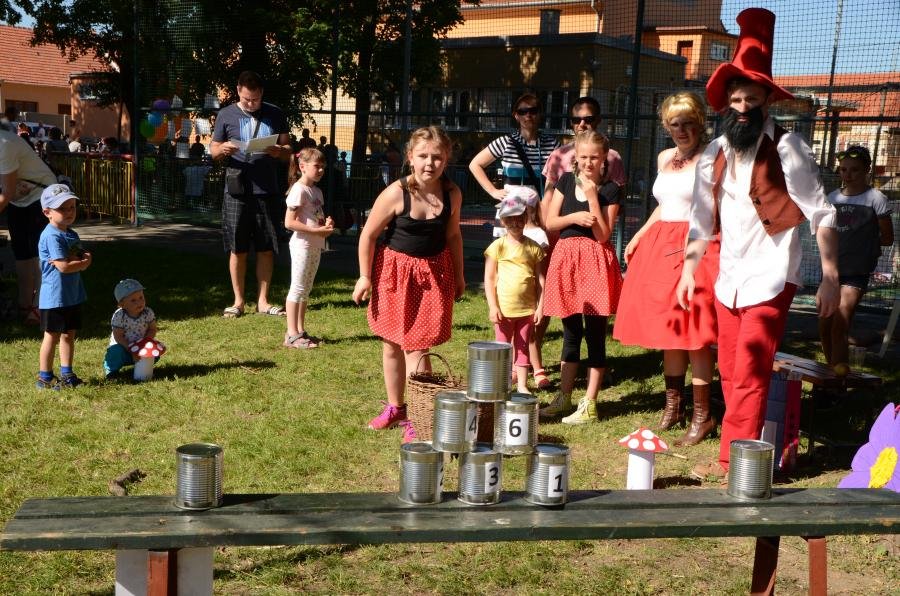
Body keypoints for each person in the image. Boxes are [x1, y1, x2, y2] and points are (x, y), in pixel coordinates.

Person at [675, 8, 839, 481]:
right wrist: (688, 271)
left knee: (749, 370)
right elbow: (700, 220)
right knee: (730, 370)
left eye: (751, 98)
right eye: (736, 99)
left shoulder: (788, 148)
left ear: (767, 98)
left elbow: (822, 212)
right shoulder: (714, 152)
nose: (743, 107)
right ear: (725, 103)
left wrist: (830, 277)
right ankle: (745, 450)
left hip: (771, 277)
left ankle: (734, 464)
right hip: (728, 278)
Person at [613, 92, 719, 445]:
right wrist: (640, 234)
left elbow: (711, 208)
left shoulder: (711, 156)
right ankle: (673, 407)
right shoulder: (664, 157)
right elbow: (664, 205)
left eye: (688, 122)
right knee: (669, 329)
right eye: (675, 124)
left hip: (696, 244)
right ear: (666, 126)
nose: (682, 130)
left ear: (700, 122)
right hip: (661, 244)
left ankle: (703, 415)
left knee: (694, 333)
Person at [352, 126, 465, 443]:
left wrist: (459, 275)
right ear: (410, 157)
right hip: (395, 274)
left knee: (418, 345)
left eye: (437, 157)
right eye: (423, 156)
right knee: (391, 343)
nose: (430, 163)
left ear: (446, 159)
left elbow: (454, 235)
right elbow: (368, 235)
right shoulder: (396, 193)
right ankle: (396, 408)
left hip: (432, 276)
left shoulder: (452, 194)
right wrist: (365, 276)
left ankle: (419, 414)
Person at [539, 131, 623, 423]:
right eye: (583, 157)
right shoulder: (565, 181)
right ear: (576, 157)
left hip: (595, 262)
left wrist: (591, 198)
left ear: (604, 158)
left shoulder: (611, 190)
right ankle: (564, 397)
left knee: (596, 334)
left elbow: (603, 235)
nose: (588, 163)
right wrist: (574, 218)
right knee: (570, 331)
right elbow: (550, 221)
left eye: (594, 157)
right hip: (567, 260)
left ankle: (590, 403)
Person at [210, 70, 292, 318]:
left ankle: (263, 301)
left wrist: (279, 151)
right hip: (237, 191)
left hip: (266, 190)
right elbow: (213, 150)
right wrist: (223, 148)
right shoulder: (225, 114)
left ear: (262, 93)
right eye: (246, 99)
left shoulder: (275, 113)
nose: (251, 104)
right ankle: (238, 302)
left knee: (266, 247)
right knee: (238, 248)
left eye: (255, 100)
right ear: (238, 91)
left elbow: (288, 148)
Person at [818, 146, 894, 373]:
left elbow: (887, 238)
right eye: (843, 170)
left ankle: (837, 380)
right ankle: (831, 373)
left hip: (856, 273)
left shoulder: (876, 198)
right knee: (824, 326)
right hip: (832, 272)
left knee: (839, 324)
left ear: (866, 170)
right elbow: (825, 232)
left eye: (854, 170)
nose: (848, 174)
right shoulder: (832, 198)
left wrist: (865, 246)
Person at [484, 194, 546, 394]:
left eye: (519, 218)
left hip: (527, 311)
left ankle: (522, 385)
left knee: (522, 347)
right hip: (503, 311)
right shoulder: (497, 246)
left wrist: (540, 307)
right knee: (502, 349)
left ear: (526, 217)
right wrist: (493, 306)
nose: (515, 223)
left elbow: (541, 281)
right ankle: (501, 385)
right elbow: (489, 279)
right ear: (503, 221)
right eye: (510, 219)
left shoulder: (534, 248)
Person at [35, 183, 91, 390]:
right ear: (47, 212)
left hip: (71, 295)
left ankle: (67, 374)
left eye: (72, 207)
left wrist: (80, 260)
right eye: (62, 208)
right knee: (51, 336)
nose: (69, 212)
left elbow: (77, 257)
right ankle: (45, 377)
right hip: (54, 297)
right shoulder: (52, 235)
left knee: (69, 334)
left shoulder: (71, 234)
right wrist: (83, 263)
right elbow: (65, 266)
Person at [0, 125, 58, 324]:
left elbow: (5, 193)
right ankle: (24, 303)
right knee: (21, 252)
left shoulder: (4, 144)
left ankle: (40, 306)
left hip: (41, 194)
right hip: (18, 199)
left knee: (38, 254)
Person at [283, 148, 334, 349]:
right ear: (302, 167)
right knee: (297, 287)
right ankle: (291, 334)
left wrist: (325, 225)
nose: (321, 170)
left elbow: (315, 217)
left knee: (306, 289)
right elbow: (289, 222)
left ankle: (300, 331)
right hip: (302, 245)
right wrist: (315, 230)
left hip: (315, 244)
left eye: (323, 167)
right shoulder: (298, 190)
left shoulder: (316, 191)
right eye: (317, 166)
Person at [469, 92, 558, 206]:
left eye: (533, 111)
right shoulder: (506, 142)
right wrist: (493, 191)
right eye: (522, 111)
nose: (528, 115)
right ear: (516, 116)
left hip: (541, 210)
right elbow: (475, 165)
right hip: (512, 210)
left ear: (540, 114)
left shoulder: (552, 144)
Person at [103, 279, 162, 379]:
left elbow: (152, 329)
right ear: (122, 304)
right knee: (116, 352)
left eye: (141, 297)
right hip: (123, 347)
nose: (139, 302)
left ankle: (141, 367)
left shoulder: (147, 313)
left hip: (141, 346)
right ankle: (111, 371)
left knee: (154, 351)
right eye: (133, 300)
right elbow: (119, 337)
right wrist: (132, 350)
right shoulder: (119, 316)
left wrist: (145, 343)